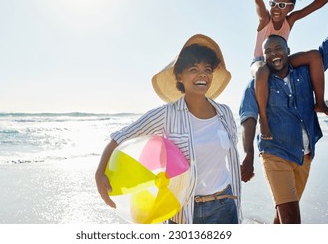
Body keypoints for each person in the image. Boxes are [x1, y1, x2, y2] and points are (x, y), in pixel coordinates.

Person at [95, 34, 242, 224]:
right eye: (194, 69)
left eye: (207, 69)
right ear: (180, 75)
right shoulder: (166, 114)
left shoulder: (224, 113)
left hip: (224, 206)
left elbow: (228, 152)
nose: (202, 75)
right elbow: (121, 137)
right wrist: (100, 173)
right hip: (183, 211)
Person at [239, 6, 328, 224]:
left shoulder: (307, 73)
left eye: (278, 48)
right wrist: (249, 155)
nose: (273, 54)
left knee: (282, 218)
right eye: (268, 51)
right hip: (275, 154)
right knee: (292, 220)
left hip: (304, 156)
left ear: (288, 51)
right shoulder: (257, 85)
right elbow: (248, 119)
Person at [245, 0, 328, 140]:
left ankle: (320, 102)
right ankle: (263, 120)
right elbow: (258, 1)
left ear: (290, 8)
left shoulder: (290, 20)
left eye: (282, 5)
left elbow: (316, 5)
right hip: (260, 61)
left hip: (281, 60)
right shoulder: (265, 20)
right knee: (262, 70)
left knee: (315, 56)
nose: (276, 8)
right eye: (273, 4)